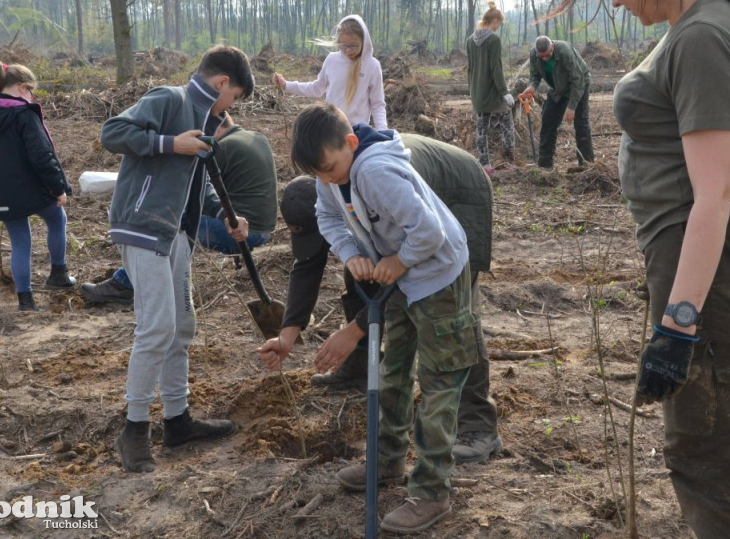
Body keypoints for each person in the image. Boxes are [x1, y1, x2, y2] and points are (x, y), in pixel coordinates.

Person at [552, 0, 730, 539]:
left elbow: (714, 193)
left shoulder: (707, 36)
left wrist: (679, 323)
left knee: (702, 447)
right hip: (710, 253)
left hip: (711, 257)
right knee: (725, 429)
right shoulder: (718, 19)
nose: (619, 0)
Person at [289, 102, 477, 534]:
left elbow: (428, 231)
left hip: (438, 276)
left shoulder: (374, 171)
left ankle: (431, 491)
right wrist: (352, 253)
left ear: (351, 144)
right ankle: (387, 460)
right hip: (401, 282)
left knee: (439, 385)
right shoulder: (331, 175)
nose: (328, 179)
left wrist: (400, 260)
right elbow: (327, 215)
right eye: (319, 173)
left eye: (332, 168)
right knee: (392, 370)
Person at [258, 133, 501, 465]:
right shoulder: (330, 184)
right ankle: (359, 366)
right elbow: (309, 267)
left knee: (455, 318)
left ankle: (479, 427)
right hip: (412, 223)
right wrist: (287, 335)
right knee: (360, 271)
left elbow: (409, 262)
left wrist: (355, 331)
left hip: (456, 191)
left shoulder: (379, 179)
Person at [100, 46, 254, 473]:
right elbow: (112, 132)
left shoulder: (202, 124)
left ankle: (177, 420)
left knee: (182, 327)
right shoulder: (169, 99)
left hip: (175, 234)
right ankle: (133, 431)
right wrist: (170, 143)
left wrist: (225, 215)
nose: (231, 108)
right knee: (157, 328)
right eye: (234, 97)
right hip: (142, 226)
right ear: (222, 83)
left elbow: (192, 186)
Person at [80, 114, 277, 304]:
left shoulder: (222, 147)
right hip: (262, 228)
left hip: (243, 231)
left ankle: (124, 284)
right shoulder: (256, 137)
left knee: (167, 223)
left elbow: (192, 187)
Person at [0, 61, 75, 312]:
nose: (32, 96)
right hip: (30, 189)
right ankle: (58, 275)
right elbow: (43, 157)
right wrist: (59, 188)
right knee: (57, 218)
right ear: (22, 87)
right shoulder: (23, 114)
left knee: (20, 242)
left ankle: (26, 300)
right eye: (31, 90)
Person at [272, 14, 387, 129]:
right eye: (343, 45)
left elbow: (377, 105)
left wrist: (383, 131)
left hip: (358, 131)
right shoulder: (332, 60)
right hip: (331, 129)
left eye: (353, 46)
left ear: (364, 41)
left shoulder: (372, 66)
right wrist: (286, 85)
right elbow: (316, 89)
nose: (348, 50)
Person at [521, 35, 595, 169]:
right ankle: (545, 165)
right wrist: (532, 86)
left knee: (581, 123)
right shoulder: (534, 54)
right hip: (557, 88)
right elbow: (535, 76)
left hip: (579, 84)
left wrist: (572, 107)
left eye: (547, 55)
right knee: (548, 122)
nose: (544, 58)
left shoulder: (564, 51)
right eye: (541, 56)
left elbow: (577, 80)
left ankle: (586, 165)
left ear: (553, 47)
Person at [466, 1, 515, 175]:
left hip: (478, 94)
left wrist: (473, 92)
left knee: (481, 129)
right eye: (499, 24)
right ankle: (509, 163)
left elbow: (470, 69)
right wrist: (505, 92)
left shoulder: (470, 40)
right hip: (494, 95)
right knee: (507, 126)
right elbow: (496, 69)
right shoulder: (493, 40)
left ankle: (485, 166)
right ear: (493, 20)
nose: (498, 28)